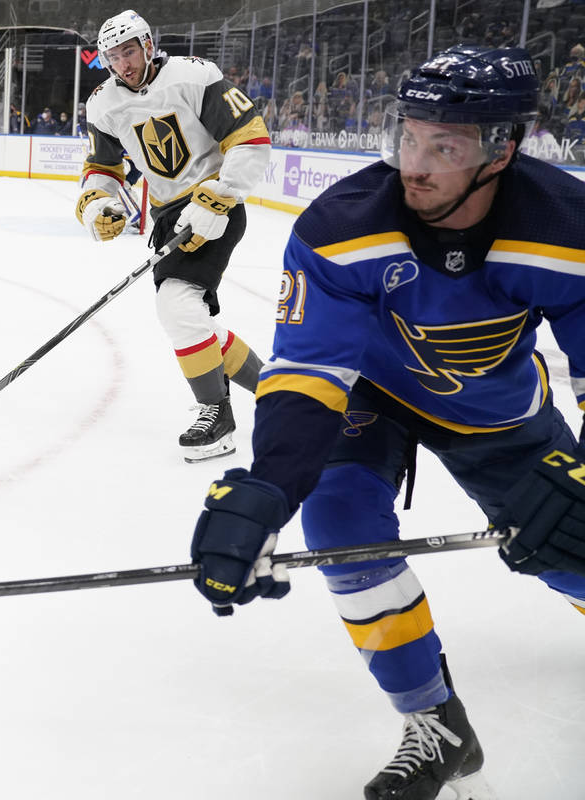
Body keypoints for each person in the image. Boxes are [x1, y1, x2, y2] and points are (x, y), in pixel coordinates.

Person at [188, 45, 585, 800]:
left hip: (495, 411)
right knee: (340, 530)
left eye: (446, 145)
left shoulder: (568, 228)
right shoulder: (342, 227)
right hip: (370, 394)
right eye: (408, 136)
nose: (416, 163)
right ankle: (436, 722)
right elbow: (307, 376)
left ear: (503, 147)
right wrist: (268, 487)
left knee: (571, 543)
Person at [78, 9, 269, 460]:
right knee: (192, 320)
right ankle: (278, 391)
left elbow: (250, 137)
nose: (123, 63)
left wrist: (222, 194)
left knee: (178, 307)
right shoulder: (104, 103)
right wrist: (97, 204)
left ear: (147, 45)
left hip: (213, 203)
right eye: (112, 56)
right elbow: (102, 169)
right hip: (169, 216)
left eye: (129, 51)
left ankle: (216, 414)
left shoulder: (193, 77)